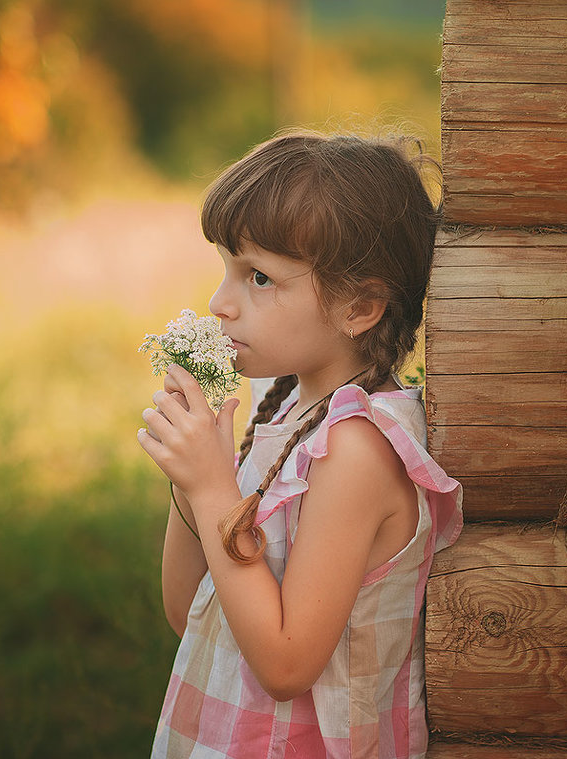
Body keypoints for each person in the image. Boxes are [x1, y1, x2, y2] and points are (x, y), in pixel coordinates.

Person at [137, 131, 463, 759]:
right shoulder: (286, 414)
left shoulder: (357, 450)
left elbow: (286, 666)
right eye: (226, 269)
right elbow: (190, 615)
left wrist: (212, 488)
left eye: (258, 277)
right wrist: (192, 480)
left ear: (360, 306)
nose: (219, 303)